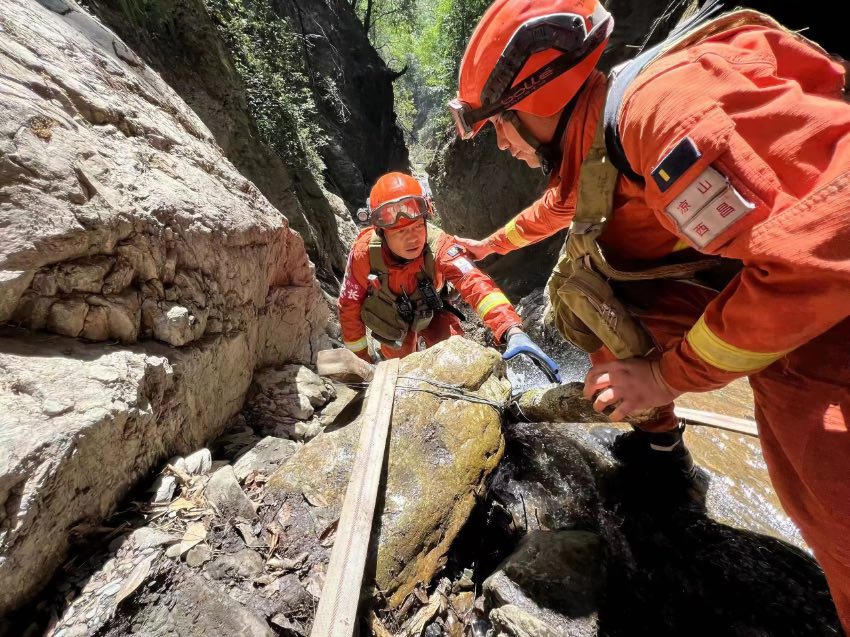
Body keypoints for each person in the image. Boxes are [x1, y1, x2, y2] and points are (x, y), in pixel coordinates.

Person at [448, 0, 850, 630]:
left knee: (826, 496)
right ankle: (661, 444)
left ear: (538, 98)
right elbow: (557, 209)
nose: (500, 142)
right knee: (586, 294)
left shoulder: (662, 119)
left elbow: (820, 252)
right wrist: (489, 247)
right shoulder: (601, 139)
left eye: (498, 124)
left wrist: (666, 377)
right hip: (786, 283)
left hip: (824, 308)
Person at [338, 171, 560, 380]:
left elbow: (474, 282)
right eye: (401, 232)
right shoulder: (364, 254)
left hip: (434, 311)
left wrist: (512, 329)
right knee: (401, 374)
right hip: (392, 322)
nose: (412, 238)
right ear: (381, 232)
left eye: (417, 227)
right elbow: (349, 306)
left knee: (456, 360)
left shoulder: (441, 246)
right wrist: (361, 362)